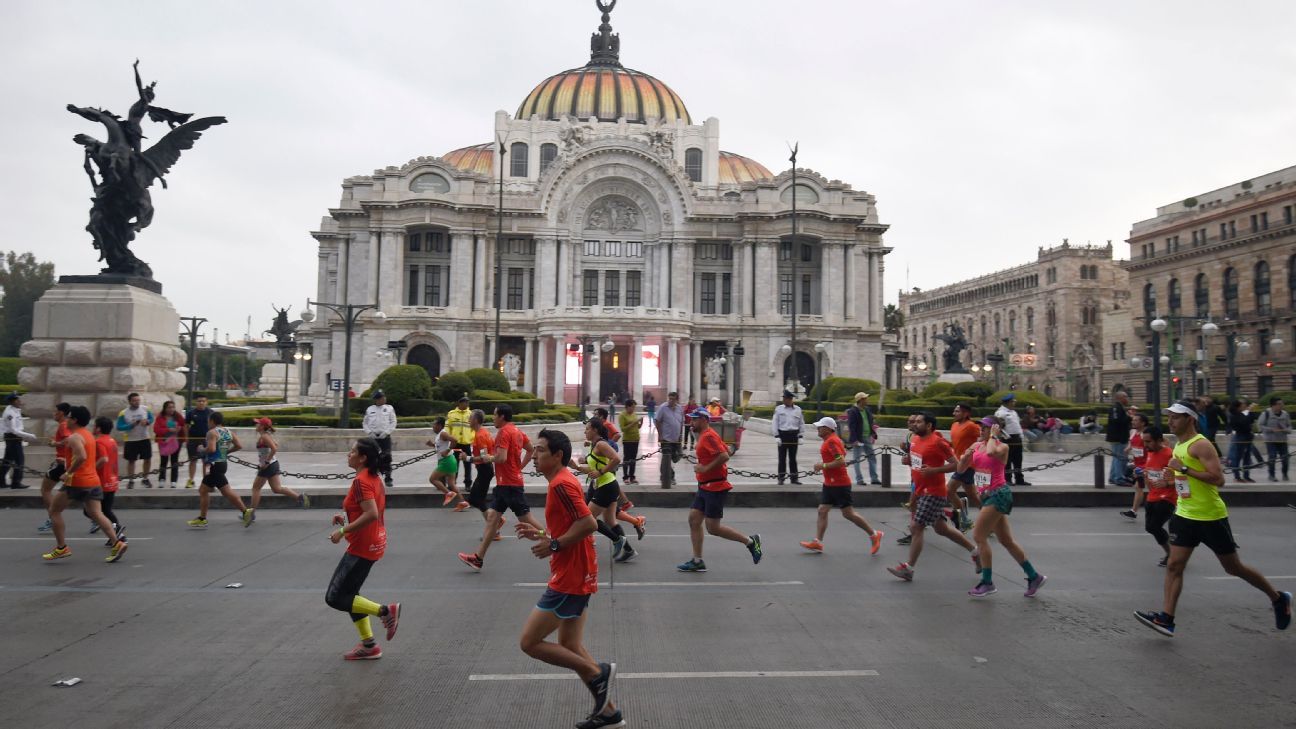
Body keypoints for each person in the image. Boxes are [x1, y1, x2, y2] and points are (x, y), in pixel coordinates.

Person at [1134, 401, 1292, 637]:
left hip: (1210, 516)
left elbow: (1218, 479)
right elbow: (1185, 480)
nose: (1170, 421)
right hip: (1184, 514)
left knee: (1233, 567)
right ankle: (1166, 619)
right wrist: (1168, 480)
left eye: (1176, 417)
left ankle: (1278, 598)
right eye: (1169, 417)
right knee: (1174, 565)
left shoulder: (1201, 445)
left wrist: (1184, 469)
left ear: (1190, 419)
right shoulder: (1179, 445)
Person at [514, 429, 623, 729]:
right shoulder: (560, 483)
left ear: (557, 455)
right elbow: (569, 527)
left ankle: (598, 672)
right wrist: (541, 534)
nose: (533, 456)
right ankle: (609, 712)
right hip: (576, 571)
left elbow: (588, 524)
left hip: (570, 576)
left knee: (530, 642)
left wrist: (552, 545)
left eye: (539, 451)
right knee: (570, 644)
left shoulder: (561, 484)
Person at [325, 437, 400, 660]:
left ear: (363, 457)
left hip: (363, 546)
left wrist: (343, 531)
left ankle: (385, 611)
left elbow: (371, 513)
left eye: (352, 451)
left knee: (335, 597)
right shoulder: (372, 478)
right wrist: (345, 518)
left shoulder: (361, 481)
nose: (348, 454)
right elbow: (366, 509)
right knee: (351, 595)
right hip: (373, 542)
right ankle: (369, 645)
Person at [887, 411, 980, 582]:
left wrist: (934, 470)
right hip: (921, 490)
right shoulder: (914, 439)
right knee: (941, 529)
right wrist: (908, 460)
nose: (914, 424)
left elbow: (957, 465)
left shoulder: (938, 442)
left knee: (917, 526)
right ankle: (975, 551)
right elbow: (917, 462)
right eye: (914, 422)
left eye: (919, 422)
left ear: (929, 425)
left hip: (934, 491)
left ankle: (909, 568)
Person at [962, 417, 1046, 598]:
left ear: (995, 429)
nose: (981, 430)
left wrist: (993, 436)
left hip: (998, 494)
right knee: (1006, 540)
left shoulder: (1002, 447)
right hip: (986, 496)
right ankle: (1034, 576)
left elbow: (992, 453)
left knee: (978, 536)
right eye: (981, 427)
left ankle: (987, 582)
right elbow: (962, 468)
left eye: (985, 427)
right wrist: (965, 456)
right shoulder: (977, 446)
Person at [458, 405, 545, 571]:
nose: (492, 418)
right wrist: (519, 466)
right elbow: (530, 449)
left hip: (509, 484)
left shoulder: (504, 433)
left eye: (495, 415)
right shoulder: (517, 431)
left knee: (525, 519)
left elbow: (501, 458)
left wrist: (489, 458)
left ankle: (555, 541)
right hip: (506, 482)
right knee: (492, 520)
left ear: (502, 417)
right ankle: (478, 559)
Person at [677, 408, 762, 572]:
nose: (691, 422)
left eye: (694, 419)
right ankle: (697, 561)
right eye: (691, 419)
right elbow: (727, 449)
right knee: (694, 520)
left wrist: (705, 468)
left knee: (713, 528)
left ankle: (751, 542)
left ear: (703, 420)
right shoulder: (706, 435)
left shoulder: (708, 435)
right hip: (704, 486)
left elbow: (724, 456)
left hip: (715, 487)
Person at [42, 406, 128, 563]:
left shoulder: (75, 437)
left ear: (74, 420)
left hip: (77, 482)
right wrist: (66, 460)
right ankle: (117, 543)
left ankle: (61, 548)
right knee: (97, 514)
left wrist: (68, 472)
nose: (66, 420)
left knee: (54, 511)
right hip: (93, 480)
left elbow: (81, 456)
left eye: (68, 417)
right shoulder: (88, 435)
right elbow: (82, 456)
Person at [799, 417, 883, 555]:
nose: (818, 429)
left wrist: (822, 465)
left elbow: (841, 461)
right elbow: (839, 456)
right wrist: (823, 464)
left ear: (828, 429)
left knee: (848, 514)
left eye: (820, 427)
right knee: (822, 510)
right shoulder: (831, 440)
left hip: (839, 483)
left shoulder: (832, 441)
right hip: (830, 483)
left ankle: (874, 534)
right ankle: (818, 542)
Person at [573, 418, 634, 563]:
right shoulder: (594, 445)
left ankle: (617, 540)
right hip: (605, 485)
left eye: (587, 429)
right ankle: (629, 550)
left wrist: (600, 472)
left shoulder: (601, 444)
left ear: (595, 430)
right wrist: (576, 467)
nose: (585, 431)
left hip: (607, 486)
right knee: (610, 520)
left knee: (589, 519)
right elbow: (592, 469)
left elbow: (616, 459)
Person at [186, 411, 253, 528]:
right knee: (203, 490)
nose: (207, 423)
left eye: (208, 421)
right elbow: (239, 446)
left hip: (214, 465)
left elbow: (211, 449)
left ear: (212, 421)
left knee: (226, 491)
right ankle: (202, 518)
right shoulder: (228, 432)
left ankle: (245, 511)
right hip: (222, 463)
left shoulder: (212, 432)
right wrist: (226, 451)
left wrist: (201, 449)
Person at [248, 417, 309, 517]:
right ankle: (300, 497)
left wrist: (266, 462)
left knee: (256, 488)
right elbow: (275, 445)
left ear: (262, 426)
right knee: (277, 489)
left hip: (268, 466)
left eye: (258, 424)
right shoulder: (265, 435)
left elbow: (274, 448)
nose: (256, 425)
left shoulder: (264, 436)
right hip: (273, 464)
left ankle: (251, 514)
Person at [1137, 425, 1176, 567]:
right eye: (1144, 442)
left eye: (1148, 442)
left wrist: (1167, 483)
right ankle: (1171, 552)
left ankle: (1172, 554)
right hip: (1152, 496)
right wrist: (1143, 474)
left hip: (1167, 498)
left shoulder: (1169, 455)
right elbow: (1151, 472)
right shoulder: (1151, 453)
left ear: (1159, 440)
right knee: (1150, 527)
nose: (1145, 445)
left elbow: (1181, 477)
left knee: (1154, 526)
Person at [37, 402, 74, 532]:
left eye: (55, 411)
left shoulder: (63, 425)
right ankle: (95, 518)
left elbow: (69, 440)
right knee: (79, 493)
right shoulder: (66, 425)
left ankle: (52, 517)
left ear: (61, 413)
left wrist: (55, 443)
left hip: (61, 463)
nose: (53, 414)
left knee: (45, 489)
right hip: (67, 462)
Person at [89, 416, 125, 545]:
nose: (93, 428)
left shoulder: (99, 442)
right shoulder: (112, 440)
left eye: (94, 426)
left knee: (91, 511)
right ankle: (116, 535)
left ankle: (117, 529)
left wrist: (92, 468)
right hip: (112, 479)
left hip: (102, 480)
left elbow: (104, 459)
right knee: (106, 510)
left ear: (98, 429)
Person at [946, 403, 981, 532]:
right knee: (972, 495)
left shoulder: (972, 426)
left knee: (949, 490)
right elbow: (956, 443)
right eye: (954, 411)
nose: (954, 413)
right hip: (958, 463)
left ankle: (964, 520)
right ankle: (991, 520)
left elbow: (983, 437)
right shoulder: (954, 425)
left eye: (957, 411)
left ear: (966, 413)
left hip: (968, 464)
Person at [459, 409, 497, 521]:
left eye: (470, 418)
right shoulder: (483, 432)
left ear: (475, 420)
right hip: (484, 470)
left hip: (485, 470)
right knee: (475, 499)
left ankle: (495, 525)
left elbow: (484, 458)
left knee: (478, 500)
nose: (468, 420)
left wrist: (468, 458)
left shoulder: (480, 435)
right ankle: (495, 524)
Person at [116, 392, 155, 488]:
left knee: (147, 458)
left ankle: (145, 478)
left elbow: (151, 418)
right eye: (134, 400)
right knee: (131, 460)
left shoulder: (145, 409)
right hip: (131, 439)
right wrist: (130, 425)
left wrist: (147, 422)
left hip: (144, 438)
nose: (137, 402)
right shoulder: (124, 413)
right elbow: (119, 427)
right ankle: (131, 480)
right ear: (129, 402)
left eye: (138, 400)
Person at [1, 393, 38, 488]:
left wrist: (24, 434)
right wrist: (30, 436)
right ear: (13, 401)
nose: (20, 401)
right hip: (13, 438)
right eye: (18, 400)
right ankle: (16, 483)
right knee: (19, 460)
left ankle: (1, 482)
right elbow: (14, 430)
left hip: (13, 438)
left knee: (7, 461)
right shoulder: (10, 413)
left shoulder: (15, 410)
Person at [362, 390, 397, 488]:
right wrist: (369, 432)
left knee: (387, 457)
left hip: (385, 437)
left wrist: (387, 432)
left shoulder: (389, 408)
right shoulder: (370, 409)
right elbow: (365, 423)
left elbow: (393, 421)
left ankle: (388, 478)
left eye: (384, 397)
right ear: (376, 400)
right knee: (372, 458)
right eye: (381, 398)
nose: (384, 399)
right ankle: (372, 478)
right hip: (373, 437)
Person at [994, 393, 1031, 486]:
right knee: (1007, 460)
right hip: (1008, 439)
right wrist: (1005, 437)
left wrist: (1021, 436)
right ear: (1008, 403)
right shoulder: (1000, 413)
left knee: (1018, 460)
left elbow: (1017, 425)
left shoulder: (1013, 412)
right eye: (1013, 402)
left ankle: (1019, 479)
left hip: (1017, 439)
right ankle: (1007, 479)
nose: (1014, 403)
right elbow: (999, 427)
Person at [846, 392, 881, 486]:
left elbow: (870, 423)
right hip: (858, 439)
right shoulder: (853, 411)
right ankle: (859, 479)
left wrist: (873, 433)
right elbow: (851, 426)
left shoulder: (867, 410)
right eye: (865, 398)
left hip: (867, 437)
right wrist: (854, 440)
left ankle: (874, 478)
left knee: (872, 458)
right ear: (860, 400)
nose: (867, 400)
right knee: (857, 459)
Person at [427, 417, 462, 506]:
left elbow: (454, 440)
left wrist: (447, 451)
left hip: (446, 461)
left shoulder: (443, 433)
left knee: (433, 479)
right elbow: (440, 446)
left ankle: (448, 494)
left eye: (434, 424)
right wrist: (432, 445)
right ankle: (463, 503)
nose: (433, 426)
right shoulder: (439, 435)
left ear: (439, 425)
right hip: (450, 460)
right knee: (451, 484)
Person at [1120, 412, 1150, 520]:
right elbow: (1131, 445)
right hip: (1138, 465)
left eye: (1136, 420)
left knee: (1145, 487)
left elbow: (1163, 443)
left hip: (1148, 464)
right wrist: (1128, 449)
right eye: (1133, 420)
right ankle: (1134, 511)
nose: (1133, 422)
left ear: (1143, 423)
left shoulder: (1147, 433)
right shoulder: (1133, 432)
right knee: (1139, 487)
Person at [772, 390, 804, 485]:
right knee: (782, 458)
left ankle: (794, 478)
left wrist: (801, 436)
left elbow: (801, 423)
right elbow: (775, 423)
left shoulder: (798, 409)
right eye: (784, 398)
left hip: (793, 435)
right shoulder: (779, 409)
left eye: (786, 399)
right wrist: (777, 436)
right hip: (783, 435)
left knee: (793, 458)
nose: (785, 400)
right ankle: (781, 478)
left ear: (790, 399)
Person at [654, 391, 685, 488]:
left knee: (678, 456)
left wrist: (680, 434)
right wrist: (660, 435)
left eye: (673, 399)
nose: (671, 401)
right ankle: (669, 477)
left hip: (676, 438)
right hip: (666, 438)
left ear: (677, 400)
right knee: (666, 457)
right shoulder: (663, 407)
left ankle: (664, 473)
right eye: (669, 398)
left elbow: (681, 422)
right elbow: (657, 420)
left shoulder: (680, 408)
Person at [152, 400, 185, 488]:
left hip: (176, 441)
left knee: (174, 461)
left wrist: (179, 429)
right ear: (165, 408)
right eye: (169, 407)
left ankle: (173, 480)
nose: (172, 409)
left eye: (173, 407)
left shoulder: (178, 416)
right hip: (164, 442)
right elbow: (156, 429)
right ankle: (162, 479)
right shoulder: (160, 417)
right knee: (163, 461)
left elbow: (184, 425)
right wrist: (168, 430)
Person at [1258, 397, 1290, 482]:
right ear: (1273, 405)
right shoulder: (1266, 413)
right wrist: (1271, 429)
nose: (1281, 405)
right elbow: (1260, 426)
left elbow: (1289, 426)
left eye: (1282, 404)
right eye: (1279, 404)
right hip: (1270, 440)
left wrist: (1286, 430)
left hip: (1282, 440)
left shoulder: (1285, 414)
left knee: (1285, 458)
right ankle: (1271, 475)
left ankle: (1285, 474)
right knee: (1272, 457)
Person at [183, 394, 212, 488]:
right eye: (199, 401)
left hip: (206, 440)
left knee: (206, 462)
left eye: (203, 401)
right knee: (192, 460)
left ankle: (205, 482)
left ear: (206, 402)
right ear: (196, 402)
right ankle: (191, 480)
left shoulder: (211, 413)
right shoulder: (191, 413)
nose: (201, 402)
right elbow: (186, 426)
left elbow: (215, 426)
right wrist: (187, 438)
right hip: (193, 440)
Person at [1104, 389, 1132, 486]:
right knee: (1120, 458)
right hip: (1118, 437)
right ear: (1120, 398)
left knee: (1116, 457)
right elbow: (1117, 420)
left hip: (1117, 437)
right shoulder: (1116, 408)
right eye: (1125, 397)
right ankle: (1119, 478)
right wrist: (1130, 417)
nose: (1127, 399)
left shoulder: (1119, 408)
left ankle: (1113, 477)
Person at [446, 395, 475, 487]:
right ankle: (453, 483)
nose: (467, 404)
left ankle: (468, 484)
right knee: (454, 465)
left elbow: (473, 428)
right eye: (465, 402)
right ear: (460, 403)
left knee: (468, 465)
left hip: (466, 443)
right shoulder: (451, 414)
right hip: (455, 444)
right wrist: (449, 438)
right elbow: (447, 427)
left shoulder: (471, 414)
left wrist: (472, 438)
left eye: (468, 402)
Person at [1226, 399, 1255, 482]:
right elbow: (1244, 423)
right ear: (1238, 407)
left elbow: (1251, 420)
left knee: (1247, 457)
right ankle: (1237, 476)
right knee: (1237, 457)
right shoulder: (1234, 416)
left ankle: (1246, 475)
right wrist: (1249, 411)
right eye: (1242, 404)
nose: (1244, 405)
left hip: (1247, 437)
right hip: (1240, 437)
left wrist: (1251, 412)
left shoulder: (1241, 414)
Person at [618, 400, 641, 484]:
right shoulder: (622, 415)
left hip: (636, 439)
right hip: (627, 440)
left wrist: (640, 423)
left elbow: (637, 427)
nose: (634, 409)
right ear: (628, 406)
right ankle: (625, 477)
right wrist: (634, 422)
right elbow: (623, 429)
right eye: (633, 407)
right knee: (627, 458)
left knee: (633, 459)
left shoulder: (634, 414)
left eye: (634, 407)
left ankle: (632, 476)